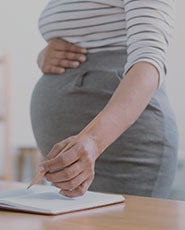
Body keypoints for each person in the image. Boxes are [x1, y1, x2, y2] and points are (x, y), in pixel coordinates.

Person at [30, 0, 178, 198]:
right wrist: (44, 56)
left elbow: (148, 62)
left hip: (125, 151)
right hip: (79, 159)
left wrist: (93, 140)